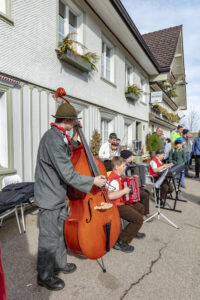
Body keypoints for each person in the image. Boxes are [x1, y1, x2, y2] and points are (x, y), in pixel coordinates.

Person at [34, 102, 107, 291]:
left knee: (59, 234)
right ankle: (44, 276)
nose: (75, 123)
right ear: (67, 120)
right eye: (74, 121)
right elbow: (68, 173)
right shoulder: (52, 139)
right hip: (49, 195)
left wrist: (76, 135)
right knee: (49, 237)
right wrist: (92, 181)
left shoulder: (61, 135)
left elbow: (71, 147)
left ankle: (59, 264)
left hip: (57, 193)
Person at [107, 156, 145, 253]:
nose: (125, 168)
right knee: (138, 219)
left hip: (122, 202)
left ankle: (132, 231)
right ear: (116, 167)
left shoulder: (119, 177)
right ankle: (121, 241)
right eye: (123, 166)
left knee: (140, 207)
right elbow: (110, 196)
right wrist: (124, 191)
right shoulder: (113, 180)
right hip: (116, 206)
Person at [120, 150, 150, 216]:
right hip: (126, 186)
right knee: (145, 195)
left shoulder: (130, 165)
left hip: (132, 185)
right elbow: (122, 177)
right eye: (130, 157)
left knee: (146, 192)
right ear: (126, 158)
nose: (132, 158)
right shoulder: (123, 166)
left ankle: (141, 210)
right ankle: (145, 213)